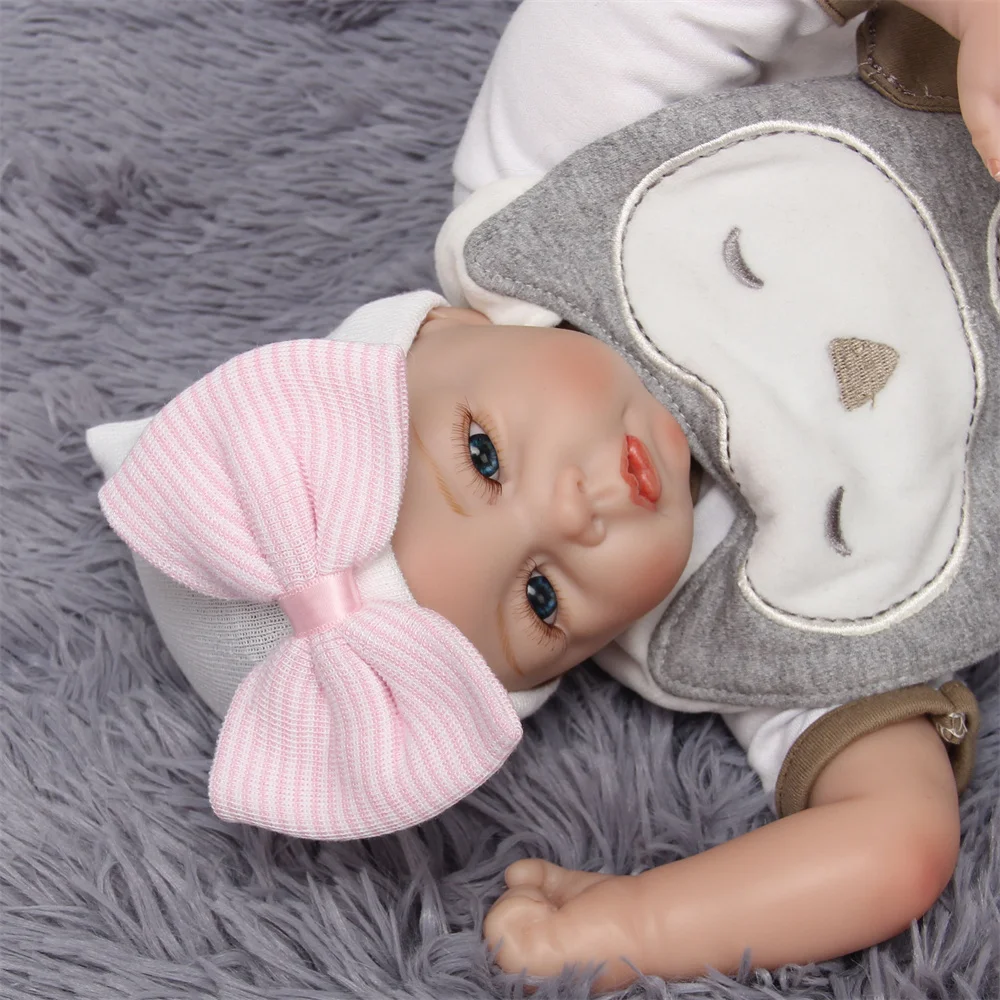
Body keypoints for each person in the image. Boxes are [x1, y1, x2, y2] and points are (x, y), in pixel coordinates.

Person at [86, 0, 999, 990]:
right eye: (540, 597)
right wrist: (641, 924)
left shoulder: (548, 169)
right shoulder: (751, 625)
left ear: (442, 330)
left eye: (482, 457)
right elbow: (892, 842)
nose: (572, 515)